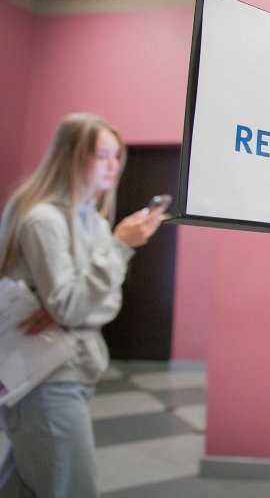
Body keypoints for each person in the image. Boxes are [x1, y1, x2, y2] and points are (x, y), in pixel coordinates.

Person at [0, 113, 165, 498]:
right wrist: (119, 248)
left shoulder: (91, 219)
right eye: (101, 155)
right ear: (72, 157)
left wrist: (66, 304)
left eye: (116, 155)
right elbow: (73, 307)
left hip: (73, 365)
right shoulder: (44, 219)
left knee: (24, 485)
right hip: (45, 376)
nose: (113, 165)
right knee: (71, 487)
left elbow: (103, 303)